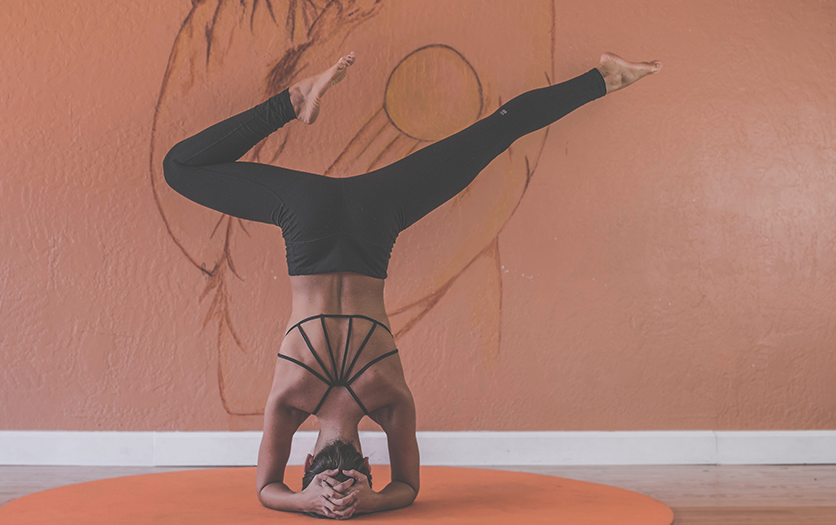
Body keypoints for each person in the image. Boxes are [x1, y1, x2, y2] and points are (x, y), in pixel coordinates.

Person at [162, 51, 661, 519]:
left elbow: (286, 489)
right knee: (491, 135)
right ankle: (604, 77)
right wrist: (346, 502)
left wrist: (326, 503)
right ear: (337, 462)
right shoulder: (343, 401)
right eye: (349, 484)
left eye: (328, 478)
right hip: (341, 220)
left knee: (492, 135)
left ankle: (294, 101)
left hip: (337, 223)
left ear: (315, 457)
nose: (338, 481)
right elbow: (386, 488)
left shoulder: (339, 403)